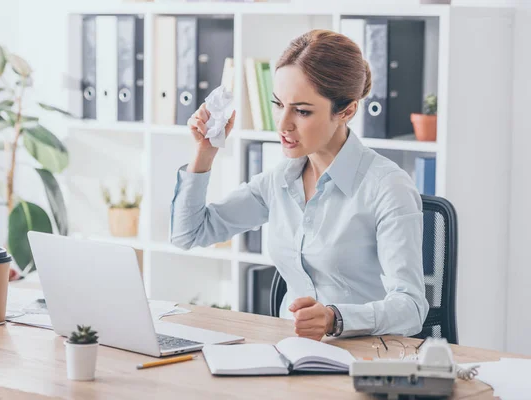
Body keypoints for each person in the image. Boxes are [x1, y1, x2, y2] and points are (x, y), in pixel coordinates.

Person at [170, 29, 429, 341]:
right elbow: (189, 233)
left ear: (346, 111)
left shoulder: (388, 188)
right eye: (278, 104)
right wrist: (205, 153)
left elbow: (411, 308)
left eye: (302, 111)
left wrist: (335, 318)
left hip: (361, 362)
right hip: (290, 356)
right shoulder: (280, 180)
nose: (282, 124)